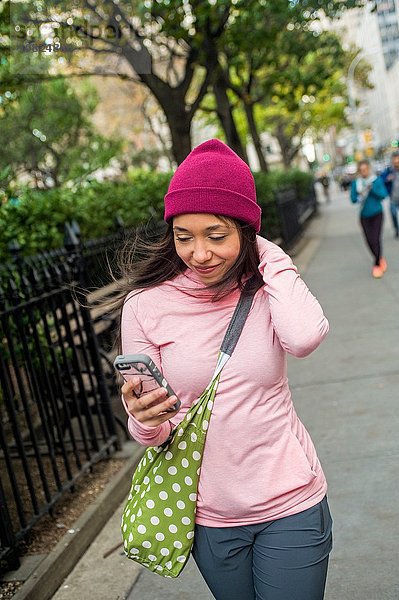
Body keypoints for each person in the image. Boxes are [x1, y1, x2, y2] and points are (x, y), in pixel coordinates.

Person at [118, 139, 333, 600]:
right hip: (209, 515)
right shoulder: (145, 306)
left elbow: (305, 338)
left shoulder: (266, 290)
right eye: (183, 236)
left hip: (290, 500)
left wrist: (270, 256)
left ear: (245, 231)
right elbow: (157, 432)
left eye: (216, 235)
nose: (199, 253)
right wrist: (145, 419)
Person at [350, 159, 388, 279]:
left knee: (376, 239)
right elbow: (353, 199)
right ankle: (379, 257)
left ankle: (377, 265)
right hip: (364, 216)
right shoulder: (356, 183)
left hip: (377, 213)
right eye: (361, 170)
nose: (364, 172)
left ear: (369, 169)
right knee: (369, 241)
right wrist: (360, 195)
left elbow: (383, 195)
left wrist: (372, 190)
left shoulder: (375, 180)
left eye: (365, 170)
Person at [381, 150, 399, 238]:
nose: (396, 162)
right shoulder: (389, 171)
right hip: (393, 197)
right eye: (395, 160)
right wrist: (387, 179)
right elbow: (381, 180)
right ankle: (397, 229)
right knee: (393, 214)